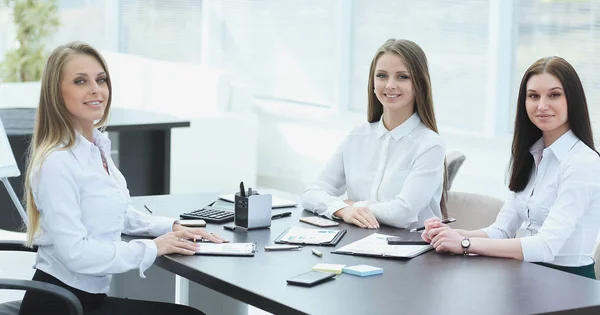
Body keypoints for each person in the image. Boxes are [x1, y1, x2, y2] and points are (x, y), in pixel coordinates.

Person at [18, 41, 227, 315]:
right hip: (60, 305)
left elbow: (117, 213)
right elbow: (76, 253)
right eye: (80, 81)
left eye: (101, 79)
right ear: (56, 94)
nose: (96, 89)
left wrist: (170, 226)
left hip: (87, 300)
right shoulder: (57, 163)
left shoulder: (98, 149)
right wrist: (151, 248)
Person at [422, 56, 600, 279]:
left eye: (554, 95)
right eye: (533, 96)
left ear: (572, 100)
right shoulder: (532, 155)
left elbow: (546, 246)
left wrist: (466, 244)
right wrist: (451, 235)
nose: (542, 105)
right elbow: (502, 231)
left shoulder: (582, 162)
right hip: (527, 276)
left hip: (570, 285)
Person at [301, 38, 448, 230]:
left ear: (419, 83)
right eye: (382, 76)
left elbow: (402, 214)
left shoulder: (429, 145)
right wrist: (342, 210)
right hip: (358, 243)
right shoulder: (357, 137)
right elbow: (312, 192)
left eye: (402, 77)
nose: (390, 85)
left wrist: (354, 205)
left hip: (410, 249)